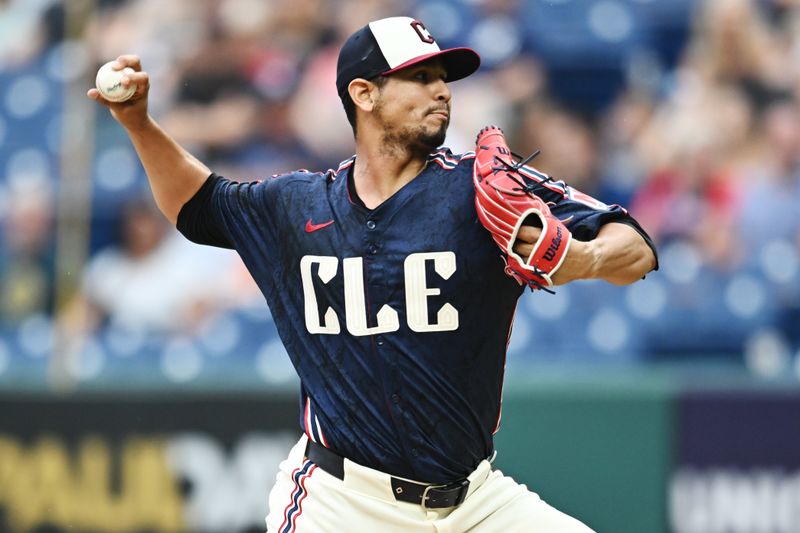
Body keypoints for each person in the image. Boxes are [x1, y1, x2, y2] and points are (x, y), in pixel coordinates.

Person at [88, 16, 657, 533]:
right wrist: (139, 125)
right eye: (418, 76)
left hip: (474, 502)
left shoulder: (479, 189)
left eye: (444, 77)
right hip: (343, 504)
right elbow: (197, 205)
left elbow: (636, 246)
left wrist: (584, 258)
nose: (441, 90)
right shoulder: (296, 207)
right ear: (363, 93)